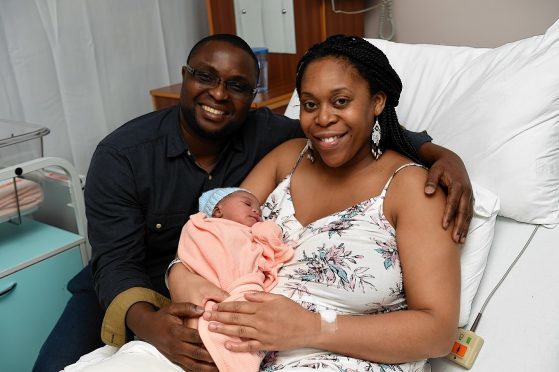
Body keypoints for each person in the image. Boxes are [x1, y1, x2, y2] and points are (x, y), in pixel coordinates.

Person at [33, 33, 472, 372]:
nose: (219, 95)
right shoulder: (284, 155)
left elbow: (366, 134)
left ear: (253, 97)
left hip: (311, 346)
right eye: (310, 104)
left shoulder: (283, 139)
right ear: (185, 77)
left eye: (237, 86)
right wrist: (176, 283)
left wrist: (442, 154)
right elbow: (134, 258)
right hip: (140, 291)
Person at [171, 33, 460, 371]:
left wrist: (311, 327)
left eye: (340, 102)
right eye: (310, 104)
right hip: (230, 352)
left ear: (377, 102)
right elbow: (217, 232)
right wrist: (178, 274)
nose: (323, 118)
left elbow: (438, 332)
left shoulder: (410, 189)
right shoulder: (286, 159)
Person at [176, 187, 293, 372]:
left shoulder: (253, 234)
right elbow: (192, 252)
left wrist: (267, 228)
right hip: (211, 288)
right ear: (218, 210)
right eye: (247, 204)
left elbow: (273, 246)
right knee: (205, 322)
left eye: (260, 211)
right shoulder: (202, 226)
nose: (256, 210)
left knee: (244, 331)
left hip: (245, 289)